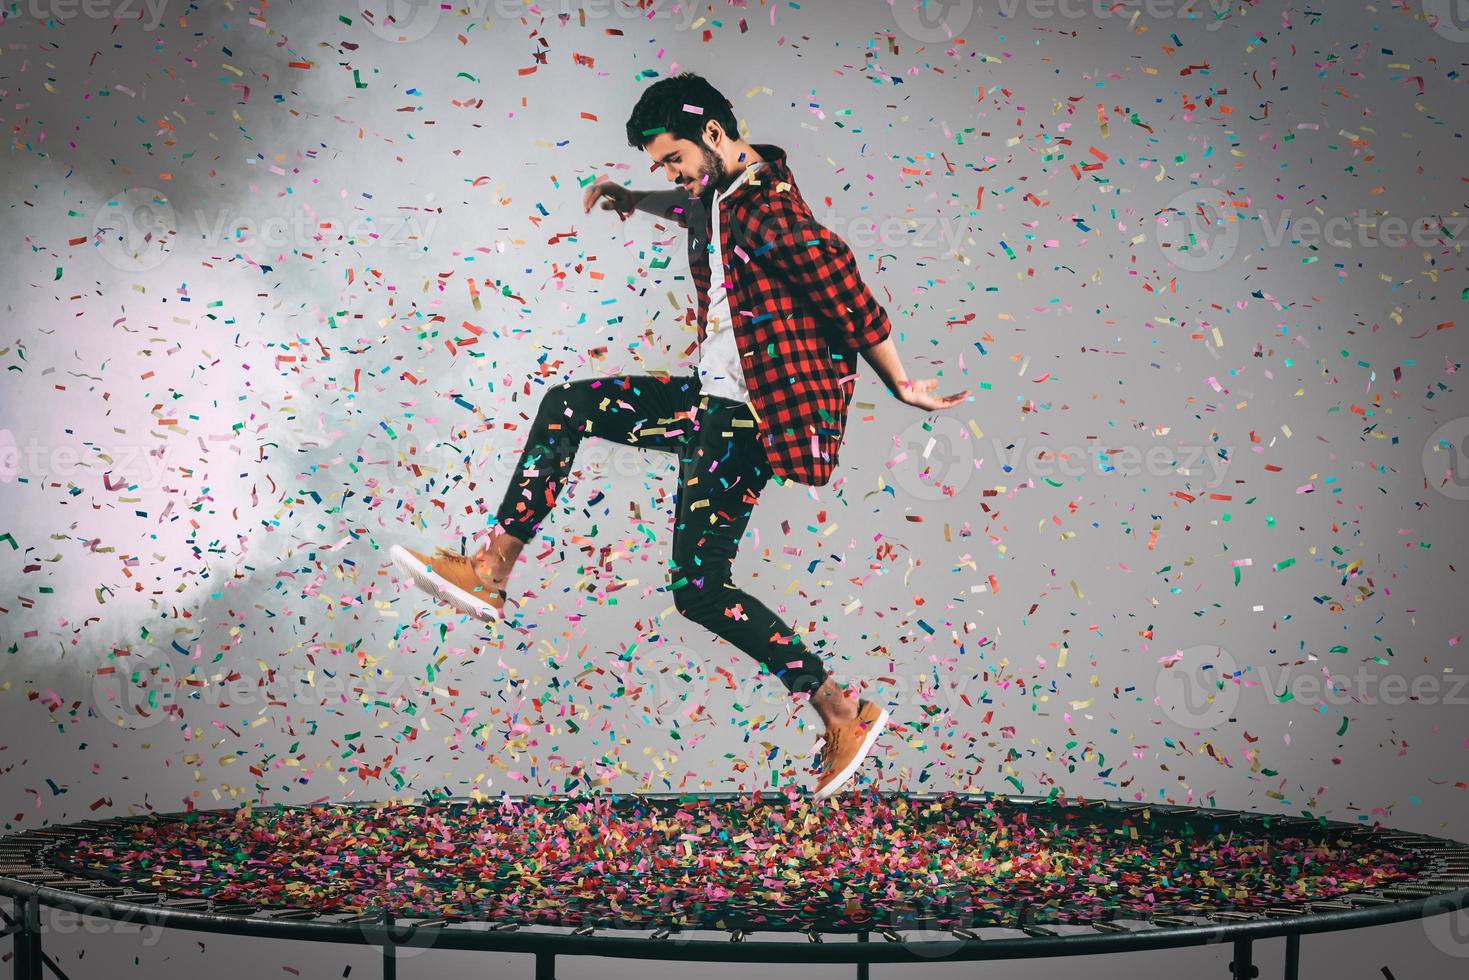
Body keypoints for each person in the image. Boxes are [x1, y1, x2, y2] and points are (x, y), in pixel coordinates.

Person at [392, 72, 969, 800]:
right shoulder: (719, 192)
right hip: (708, 404)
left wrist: (899, 382)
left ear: (715, 137)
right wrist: (641, 201)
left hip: (748, 419)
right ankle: (491, 572)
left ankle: (840, 711)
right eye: (661, 167)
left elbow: (852, 299)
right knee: (566, 406)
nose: (671, 175)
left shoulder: (772, 216)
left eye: (672, 160)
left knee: (698, 588)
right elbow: (701, 209)